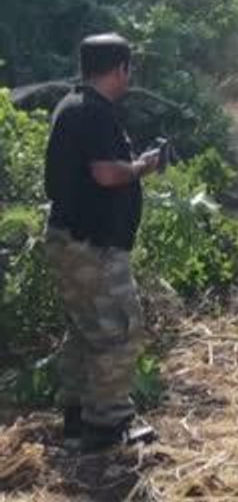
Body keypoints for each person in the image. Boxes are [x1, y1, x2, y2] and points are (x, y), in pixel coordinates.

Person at [43, 33, 161, 452]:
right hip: (90, 244)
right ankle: (109, 427)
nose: (129, 77)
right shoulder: (92, 112)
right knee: (118, 331)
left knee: (85, 333)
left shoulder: (73, 106)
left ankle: (77, 420)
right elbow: (106, 174)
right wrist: (142, 166)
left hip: (72, 238)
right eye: (129, 69)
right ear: (120, 69)